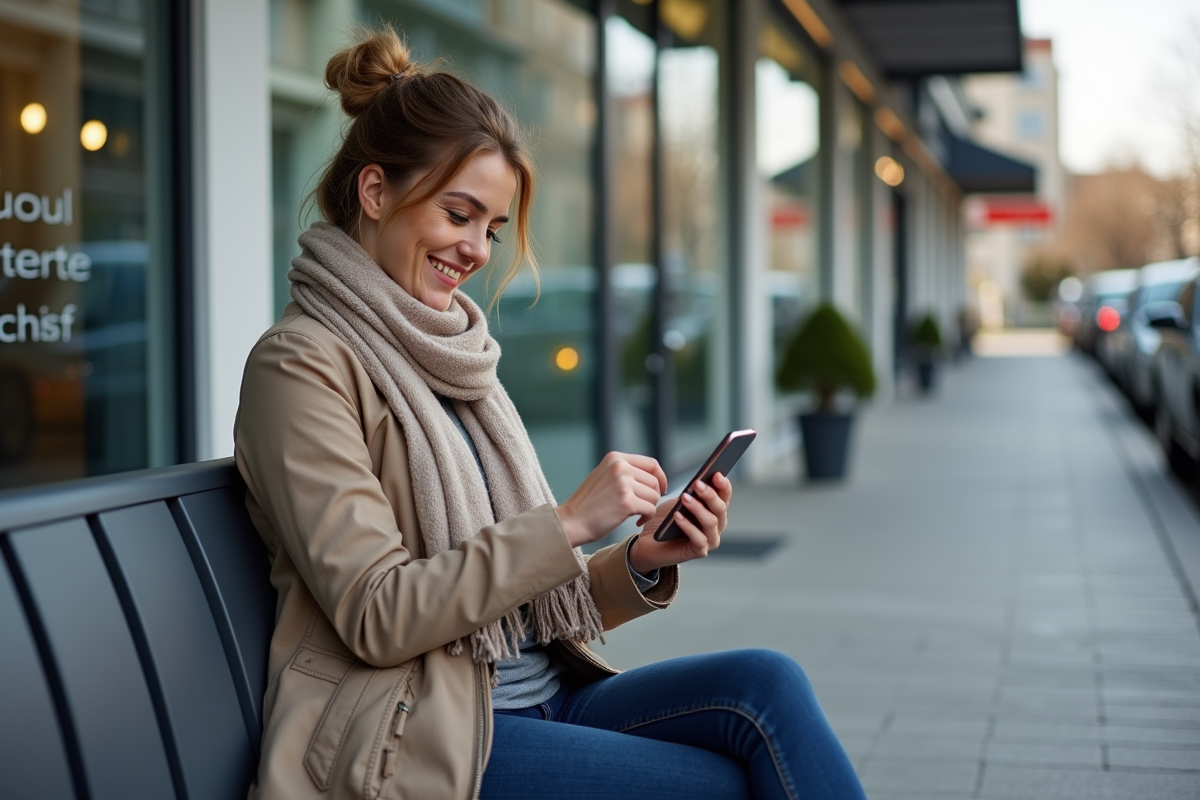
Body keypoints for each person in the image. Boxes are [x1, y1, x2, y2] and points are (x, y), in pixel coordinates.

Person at [234, 27, 866, 800]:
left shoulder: (452, 354)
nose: (476, 249)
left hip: (535, 694)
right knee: (723, 785)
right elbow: (378, 613)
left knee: (767, 684)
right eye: (459, 214)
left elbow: (521, 611)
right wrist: (565, 524)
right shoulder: (301, 366)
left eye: (491, 229)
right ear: (375, 193)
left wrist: (638, 562)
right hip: (422, 735)